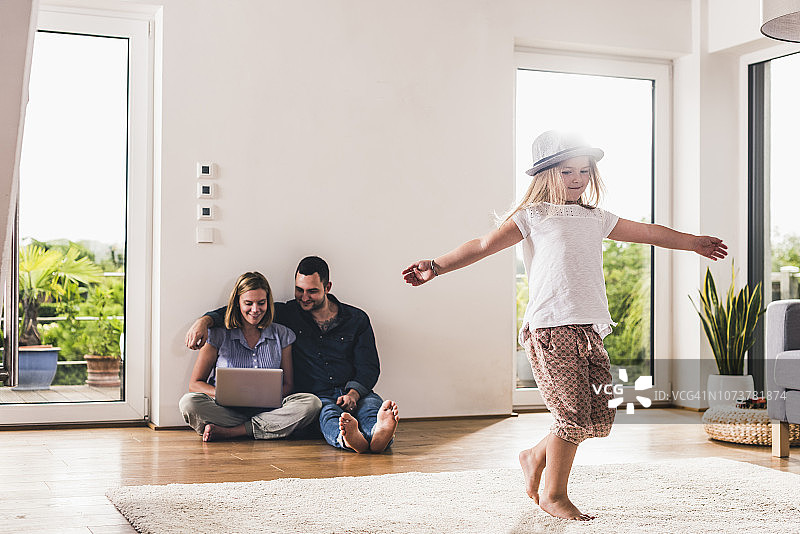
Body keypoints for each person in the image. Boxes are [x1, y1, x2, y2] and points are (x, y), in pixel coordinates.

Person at [402, 130, 727, 521]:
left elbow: (649, 232)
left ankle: (535, 454)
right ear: (545, 174)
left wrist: (693, 242)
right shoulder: (532, 216)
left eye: (584, 171)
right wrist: (435, 266)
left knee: (599, 415)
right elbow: (482, 245)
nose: (577, 179)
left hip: (588, 330)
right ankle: (554, 495)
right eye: (567, 171)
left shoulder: (597, 218)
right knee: (572, 416)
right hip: (551, 329)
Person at [185, 256, 399, 453]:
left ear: (327, 287)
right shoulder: (288, 313)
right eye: (299, 290)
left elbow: (369, 366)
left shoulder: (356, 319)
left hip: (349, 393)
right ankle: (349, 440)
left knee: (368, 408)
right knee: (327, 415)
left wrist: (353, 394)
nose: (304, 297)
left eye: (312, 291)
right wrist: (204, 321)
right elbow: (240, 308)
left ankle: (378, 437)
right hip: (315, 394)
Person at [179, 271, 322, 442]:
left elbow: (288, 385)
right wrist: (223, 394)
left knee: (312, 403)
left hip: (269, 410)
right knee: (188, 403)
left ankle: (234, 432)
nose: (255, 310)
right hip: (227, 410)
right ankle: (263, 428)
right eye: (248, 303)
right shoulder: (218, 334)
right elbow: (195, 384)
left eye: (261, 303)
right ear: (238, 303)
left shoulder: (282, 334)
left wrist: (268, 398)